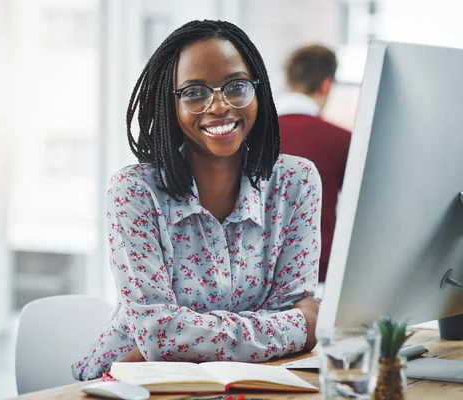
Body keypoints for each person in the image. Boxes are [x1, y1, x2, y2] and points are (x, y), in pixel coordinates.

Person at [72, 20, 321, 381]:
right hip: (126, 383)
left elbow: (295, 314)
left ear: (259, 91)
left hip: (255, 382)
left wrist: (191, 335)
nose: (219, 106)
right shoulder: (134, 192)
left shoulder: (296, 183)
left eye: (235, 87)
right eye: (194, 92)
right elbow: (160, 336)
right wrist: (292, 325)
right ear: (169, 103)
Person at [276, 44, 351, 283]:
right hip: (320, 272)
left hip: (255, 273)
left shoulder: (248, 135)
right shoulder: (342, 140)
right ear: (327, 84)